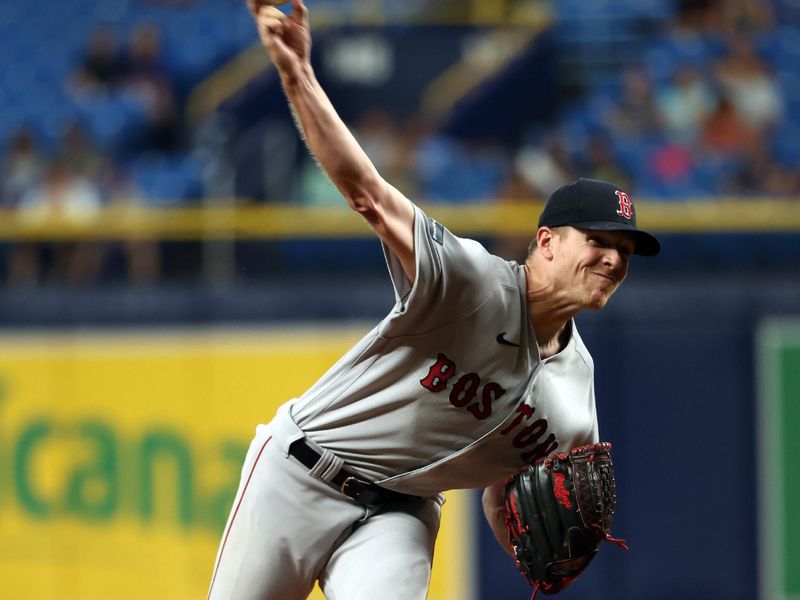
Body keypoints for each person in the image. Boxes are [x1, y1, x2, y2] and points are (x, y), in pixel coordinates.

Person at [207, 2, 661, 599]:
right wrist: (298, 73)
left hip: (400, 515)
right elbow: (368, 193)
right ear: (546, 242)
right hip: (298, 474)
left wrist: (543, 555)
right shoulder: (470, 281)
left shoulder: (577, 398)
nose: (613, 259)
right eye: (599, 241)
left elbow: (511, 498)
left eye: (625, 252)